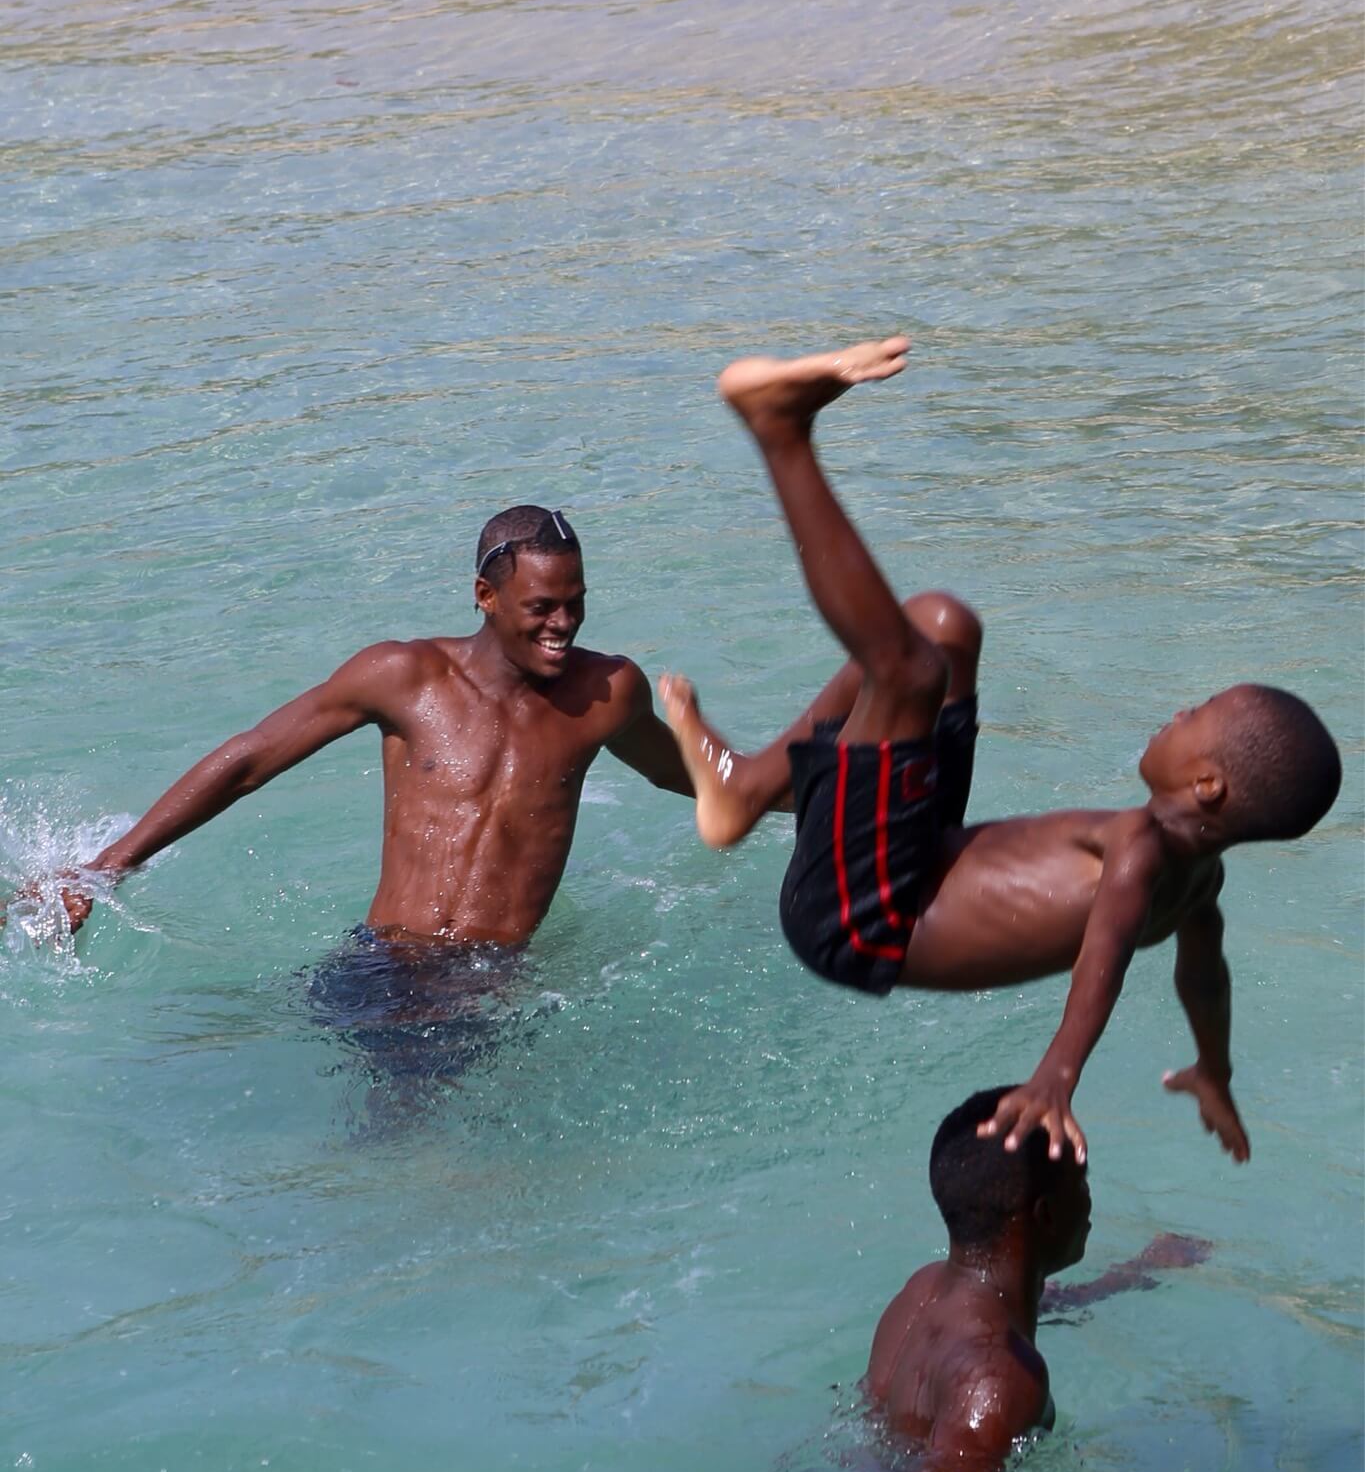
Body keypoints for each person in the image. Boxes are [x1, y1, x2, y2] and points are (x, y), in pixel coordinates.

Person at [659, 339, 1342, 1163]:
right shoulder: (1198, 882)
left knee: (906, 671)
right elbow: (1203, 978)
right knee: (943, 626)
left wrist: (1055, 1075)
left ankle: (779, 433)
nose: (1174, 711)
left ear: (1206, 784)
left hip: (857, 917)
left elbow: (1105, 959)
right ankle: (743, 787)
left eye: (1193, 713)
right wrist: (1213, 1069)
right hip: (908, 862)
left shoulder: (1141, 852)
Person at [36, 506, 694, 946]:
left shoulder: (607, 691)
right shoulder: (403, 676)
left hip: (496, 981)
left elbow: (674, 771)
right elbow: (249, 761)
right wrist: (104, 868)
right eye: (541, 607)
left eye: (575, 604)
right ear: (485, 597)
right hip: (383, 965)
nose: (563, 624)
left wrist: (798, 797)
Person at [864, 1085, 1211, 1472]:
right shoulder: (1000, 1380)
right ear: (1046, 1215)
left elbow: (1029, 1304)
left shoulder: (924, 1292)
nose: (1091, 1200)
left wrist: (1133, 1273)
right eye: (1083, 1182)